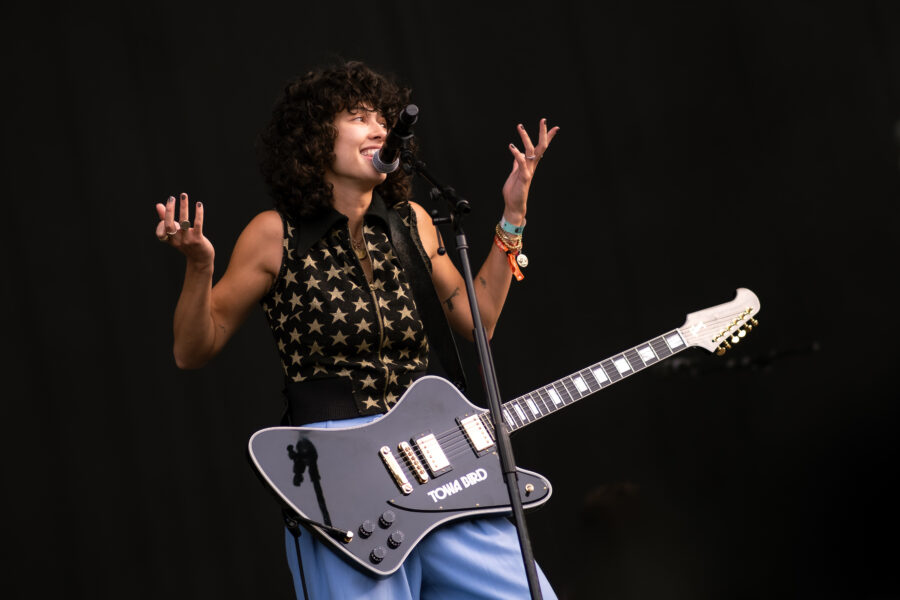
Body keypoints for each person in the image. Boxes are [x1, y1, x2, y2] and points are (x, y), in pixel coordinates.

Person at [155, 60, 559, 600]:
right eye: (358, 116)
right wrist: (199, 267)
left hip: (435, 464)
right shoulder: (275, 235)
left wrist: (513, 216)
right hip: (340, 483)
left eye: (383, 119)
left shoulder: (409, 220)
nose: (378, 128)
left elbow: (477, 318)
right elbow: (192, 349)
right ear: (315, 139)